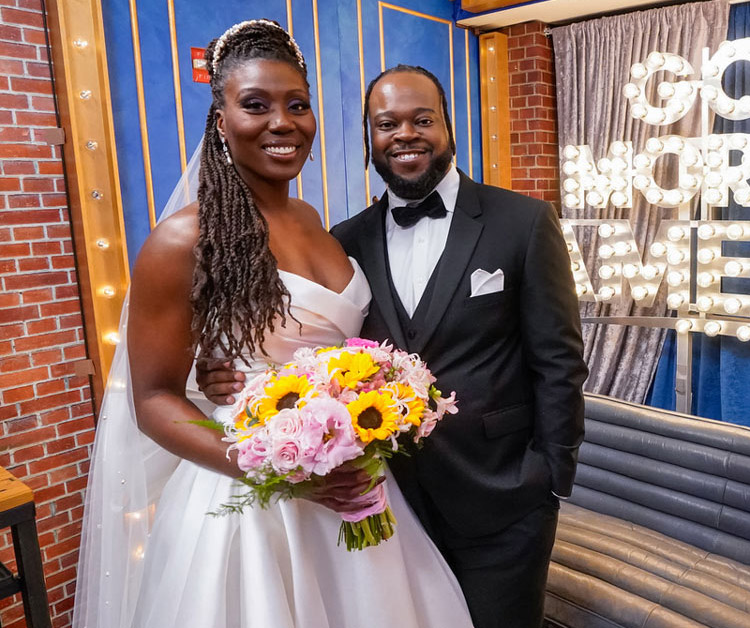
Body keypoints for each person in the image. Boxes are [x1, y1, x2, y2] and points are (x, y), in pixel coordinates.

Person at [72, 20, 474, 628]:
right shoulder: (184, 238)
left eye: (298, 105)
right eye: (255, 105)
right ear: (221, 118)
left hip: (353, 476)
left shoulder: (315, 220)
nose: (282, 123)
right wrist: (276, 468)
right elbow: (152, 400)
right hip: (256, 498)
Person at [199, 65, 588, 628]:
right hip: (389, 502)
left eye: (421, 119)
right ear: (370, 140)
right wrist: (225, 371)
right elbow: (316, 347)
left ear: (449, 128)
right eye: (387, 124)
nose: (405, 134)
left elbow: (559, 361)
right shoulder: (343, 240)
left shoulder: (522, 223)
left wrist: (552, 473)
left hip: (503, 497)